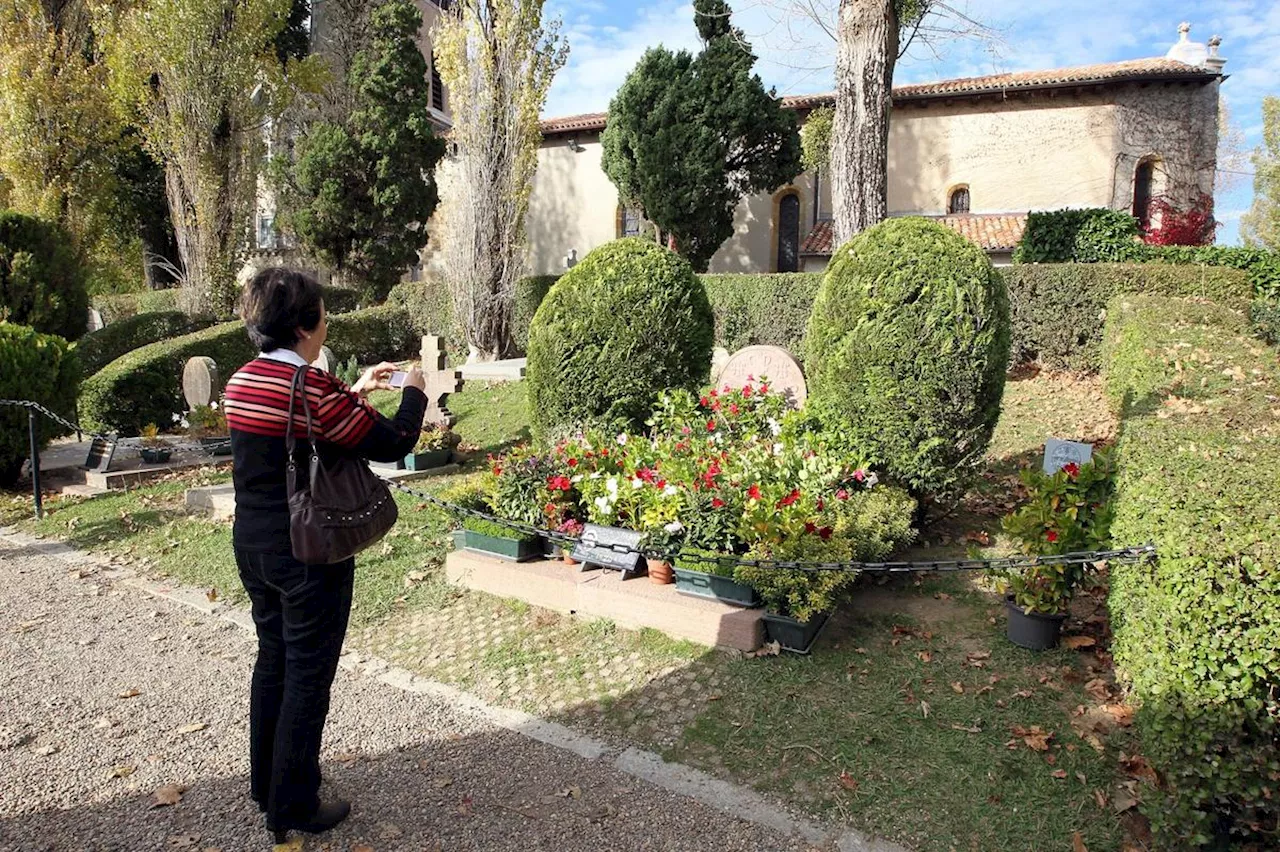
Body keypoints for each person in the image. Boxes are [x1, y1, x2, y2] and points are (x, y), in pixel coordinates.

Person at [222, 268, 426, 843]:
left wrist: (354, 388)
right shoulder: (313, 389)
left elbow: (293, 428)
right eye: (322, 313)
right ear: (308, 325)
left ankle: (266, 783)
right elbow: (393, 441)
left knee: (273, 660)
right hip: (308, 550)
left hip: (254, 545)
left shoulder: (242, 381)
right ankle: (293, 807)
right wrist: (414, 388)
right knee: (309, 676)